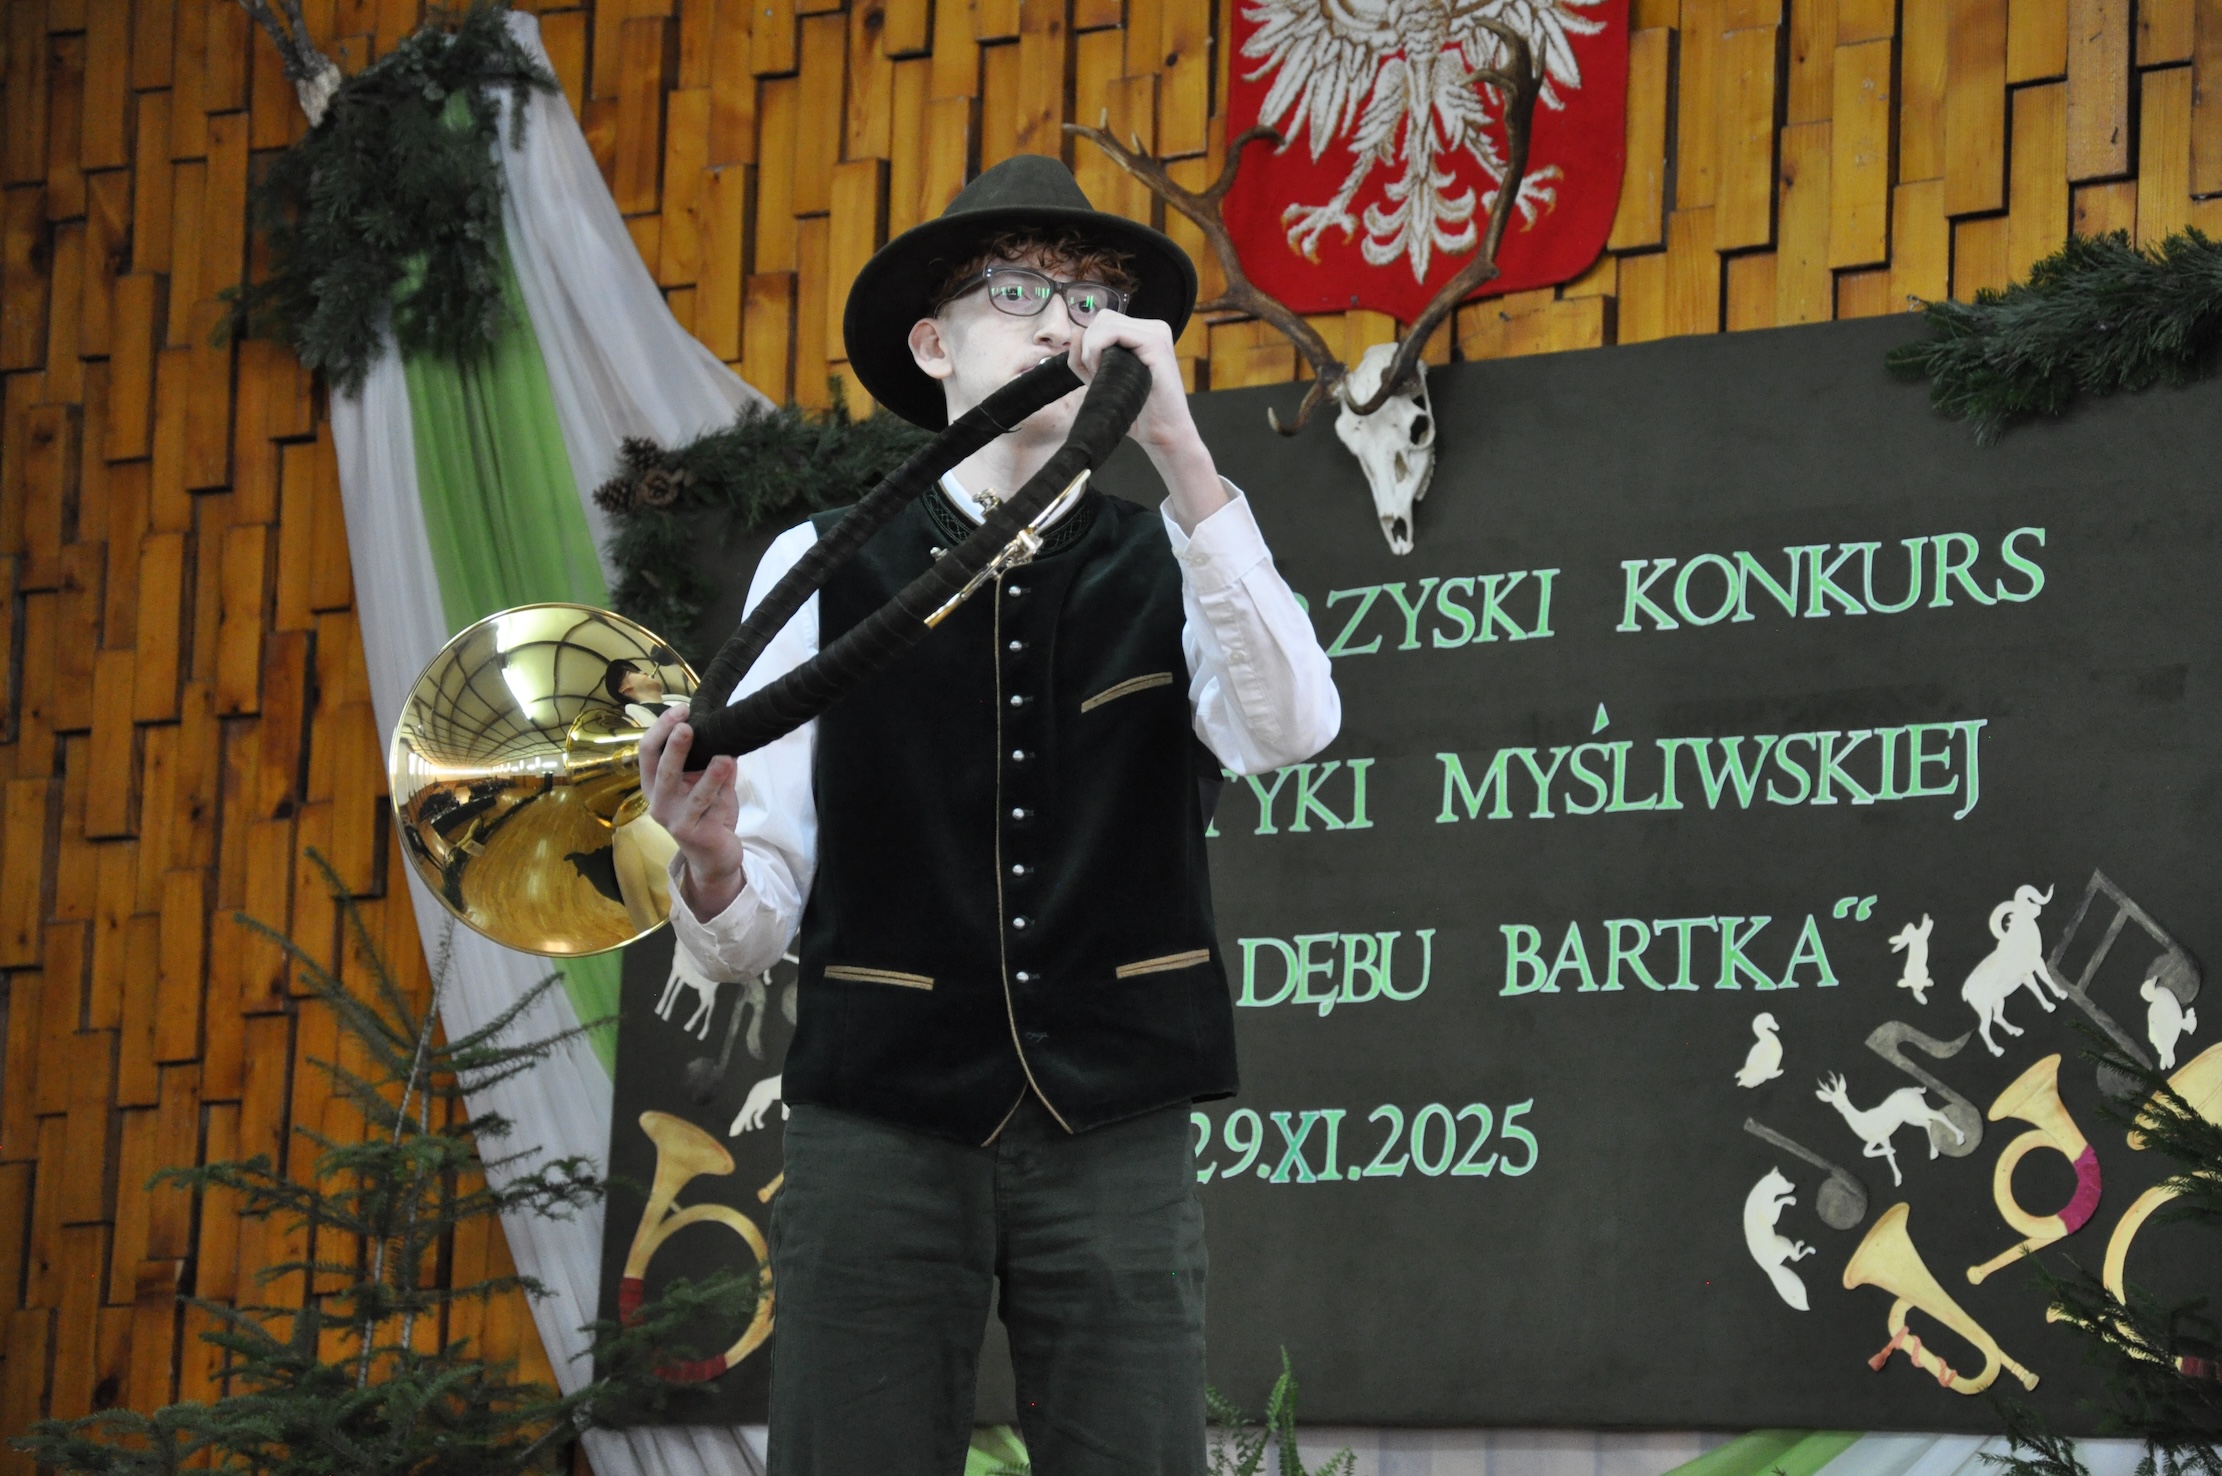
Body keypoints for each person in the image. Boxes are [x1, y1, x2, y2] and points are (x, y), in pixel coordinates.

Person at [636, 155, 1339, 1475]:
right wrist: (715, 860)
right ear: (933, 344)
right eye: (1018, 289)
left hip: (1116, 1117)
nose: (1062, 319)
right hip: (880, 1120)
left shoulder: (1171, 552)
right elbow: (749, 932)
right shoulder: (823, 562)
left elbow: (1293, 728)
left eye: (1091, 297)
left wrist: (1179, 450)